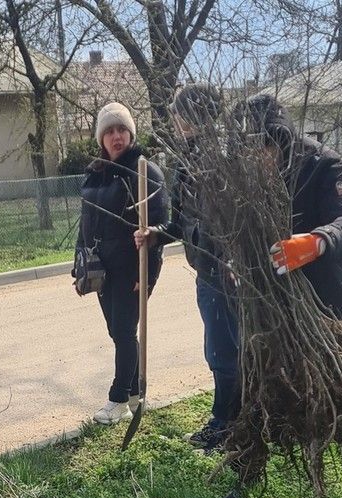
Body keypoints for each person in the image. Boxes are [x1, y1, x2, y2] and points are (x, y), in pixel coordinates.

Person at [139, 93, 342, 498]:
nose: (261, 157)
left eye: (267, 146)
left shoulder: (322, 167)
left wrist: (315, 242)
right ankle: (244, 475)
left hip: (335, 309)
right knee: (259, 397)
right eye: (251, 148)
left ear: (283, 139)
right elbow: (226, 230)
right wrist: (237, 263)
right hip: (273, 314)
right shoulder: (245, 175)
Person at [137, 84, 238, 452]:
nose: (176, 121)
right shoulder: (185, 162)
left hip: (228, 272)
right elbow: (180, 223)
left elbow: (236, 219)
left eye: (180, 113)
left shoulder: (224, 157)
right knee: (219, 348)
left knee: (225, 350)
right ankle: (230, 419)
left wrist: (232, 257)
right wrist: (154, 234)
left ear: (194, 116)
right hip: (207, 272)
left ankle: (227, 424)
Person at [78, 102, 167, 425]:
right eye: (110, 131)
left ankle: (118, 400)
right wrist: (80, 260)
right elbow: (85, 220)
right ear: (101, 138)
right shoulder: (96, 173)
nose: (116, 136)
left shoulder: (144, 171)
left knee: (125, 331)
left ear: (131, 133)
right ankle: (133, 395)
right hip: (102, 268)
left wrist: (148, 276)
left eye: (122, 130)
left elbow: (160, 227)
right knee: (117, 332)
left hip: (131, 269)